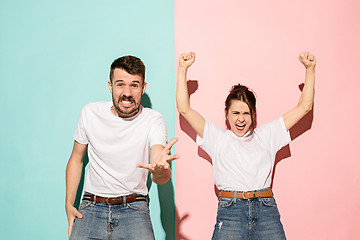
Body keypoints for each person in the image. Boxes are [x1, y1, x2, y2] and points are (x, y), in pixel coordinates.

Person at [176, 51, 316, 239]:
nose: (241, 119)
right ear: (226, 114)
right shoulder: (216, 137)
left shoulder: (268, 134)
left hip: (265, 209)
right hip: (230, 211)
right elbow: (184, 109)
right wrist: (183, 69)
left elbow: (304, 107)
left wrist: (310, 69)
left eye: (246, 113)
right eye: (235, 113)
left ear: (253, 114)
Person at [65, 55, 179, 240]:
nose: (127, 92)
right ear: (110, 86)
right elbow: (76, 159)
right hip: (92, 207)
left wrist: (159, 171)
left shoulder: (153, 120)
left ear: (143, 87)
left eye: (134, 85)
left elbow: (159, 167)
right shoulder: (90, 113)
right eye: (120, 84)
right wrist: (69, 205)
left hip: (134, 208)